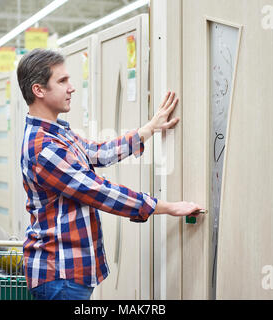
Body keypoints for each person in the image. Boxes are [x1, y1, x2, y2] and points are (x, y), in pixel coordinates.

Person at [17, 49, 204, 300]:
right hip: (60, 274)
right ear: (39, 90)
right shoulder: (43, 147)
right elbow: (100, 192)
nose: (72, 88)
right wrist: (167, 207)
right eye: (62, 81)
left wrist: (149, 129)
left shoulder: (57, 133)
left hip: (70, 272)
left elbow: (98, 153)